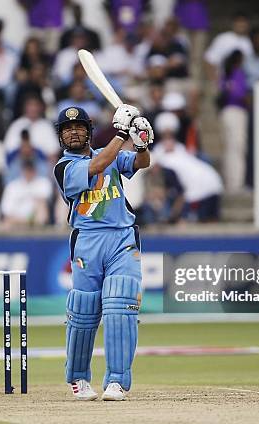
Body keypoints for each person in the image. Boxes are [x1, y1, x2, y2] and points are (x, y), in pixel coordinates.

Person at [53, 104, 153, 401]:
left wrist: (142, 141)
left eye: (80, 127)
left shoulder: (107, 152)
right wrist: (122, 132)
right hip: (88, 242)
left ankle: (117, 381)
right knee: (83, 313)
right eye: (67, 129)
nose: (73, 132)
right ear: (61, 136)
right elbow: (96, 167)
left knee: (121, 306)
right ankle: (79, 378)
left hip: (122, 238)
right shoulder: (64, 167)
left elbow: (141, 163)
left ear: (89, 132)